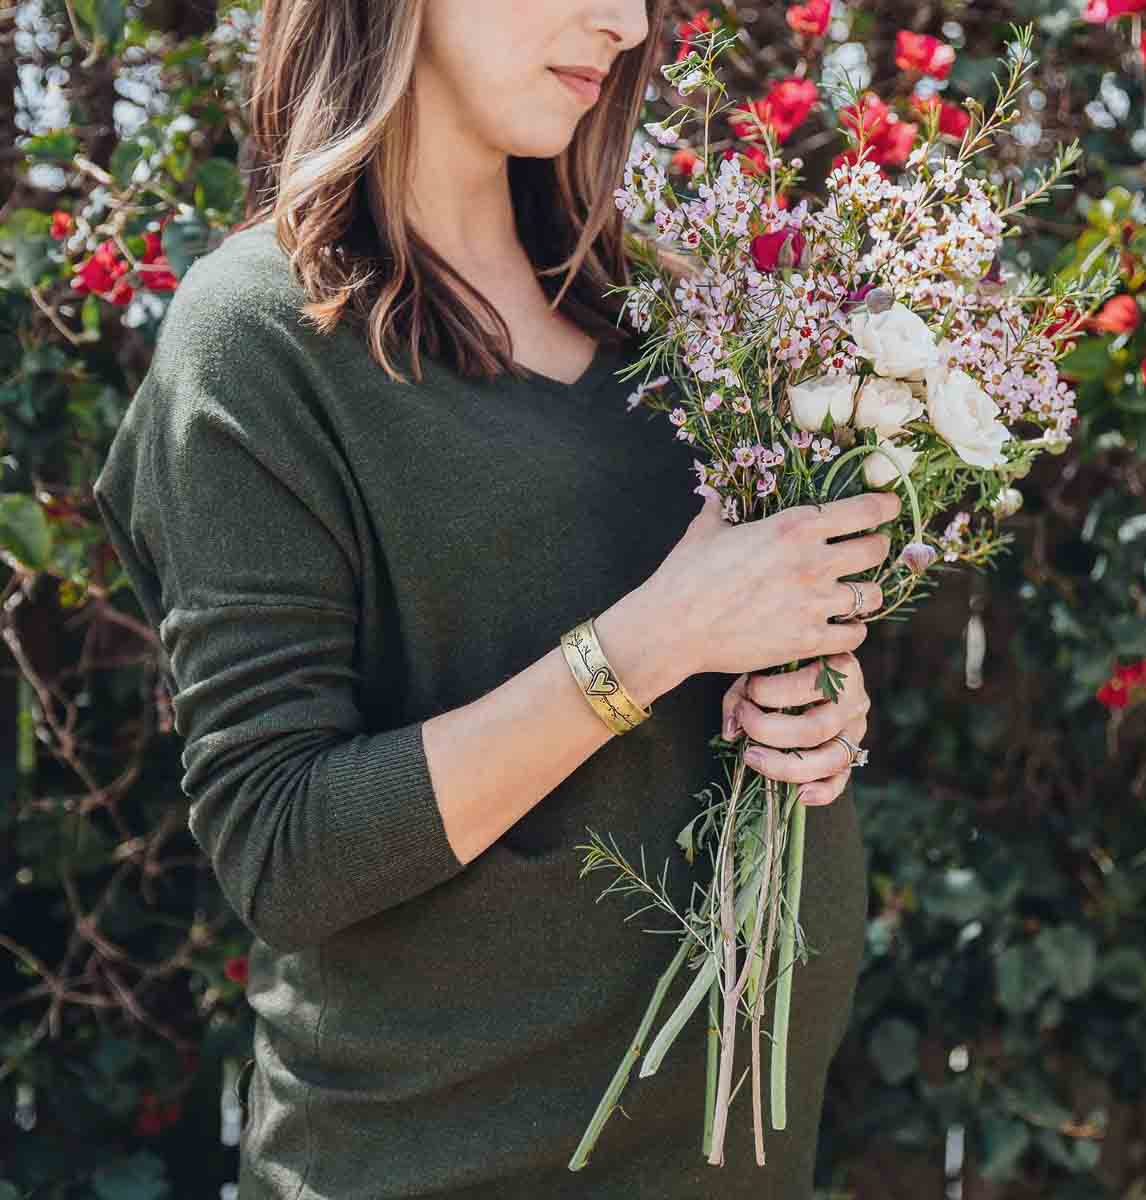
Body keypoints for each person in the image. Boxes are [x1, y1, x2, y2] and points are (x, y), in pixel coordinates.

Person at [91, 0, 898, 1195]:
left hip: (731, 1163)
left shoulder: (671, 315)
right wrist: (653, 640)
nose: (623, 23)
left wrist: (812, 699)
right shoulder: (258, 338)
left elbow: (709, 641)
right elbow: (284, 851)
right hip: (437, 1161)